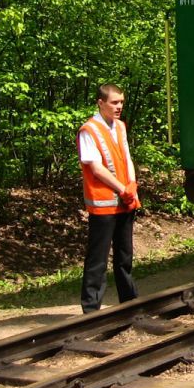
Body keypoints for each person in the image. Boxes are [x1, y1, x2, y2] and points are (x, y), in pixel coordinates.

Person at [79, 84, 140, 314]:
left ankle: (130, 302)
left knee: (125, 257)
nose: (119, 107)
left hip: (125, 201)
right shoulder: (89, 130)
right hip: (104, 204)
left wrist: (131, 186)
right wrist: (122, 188)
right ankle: (91, 310)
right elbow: (96, 168)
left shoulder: (120, 127)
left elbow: (126, 157)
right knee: (98, 260)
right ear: (101, 102)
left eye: (121, 102)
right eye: (115, 102)